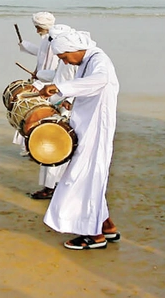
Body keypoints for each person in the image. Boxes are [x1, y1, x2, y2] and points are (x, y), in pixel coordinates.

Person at [38, 29, 120, 250]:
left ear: (74, 49)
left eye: (64, 57)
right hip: (87, 127)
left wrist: (62, 88)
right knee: (88, 178)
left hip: (97, 130)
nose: (65, 62)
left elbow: (100, 81)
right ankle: (106, 226)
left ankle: (94, 236)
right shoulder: (88, 60)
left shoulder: (99, 60)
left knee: (83, 179)